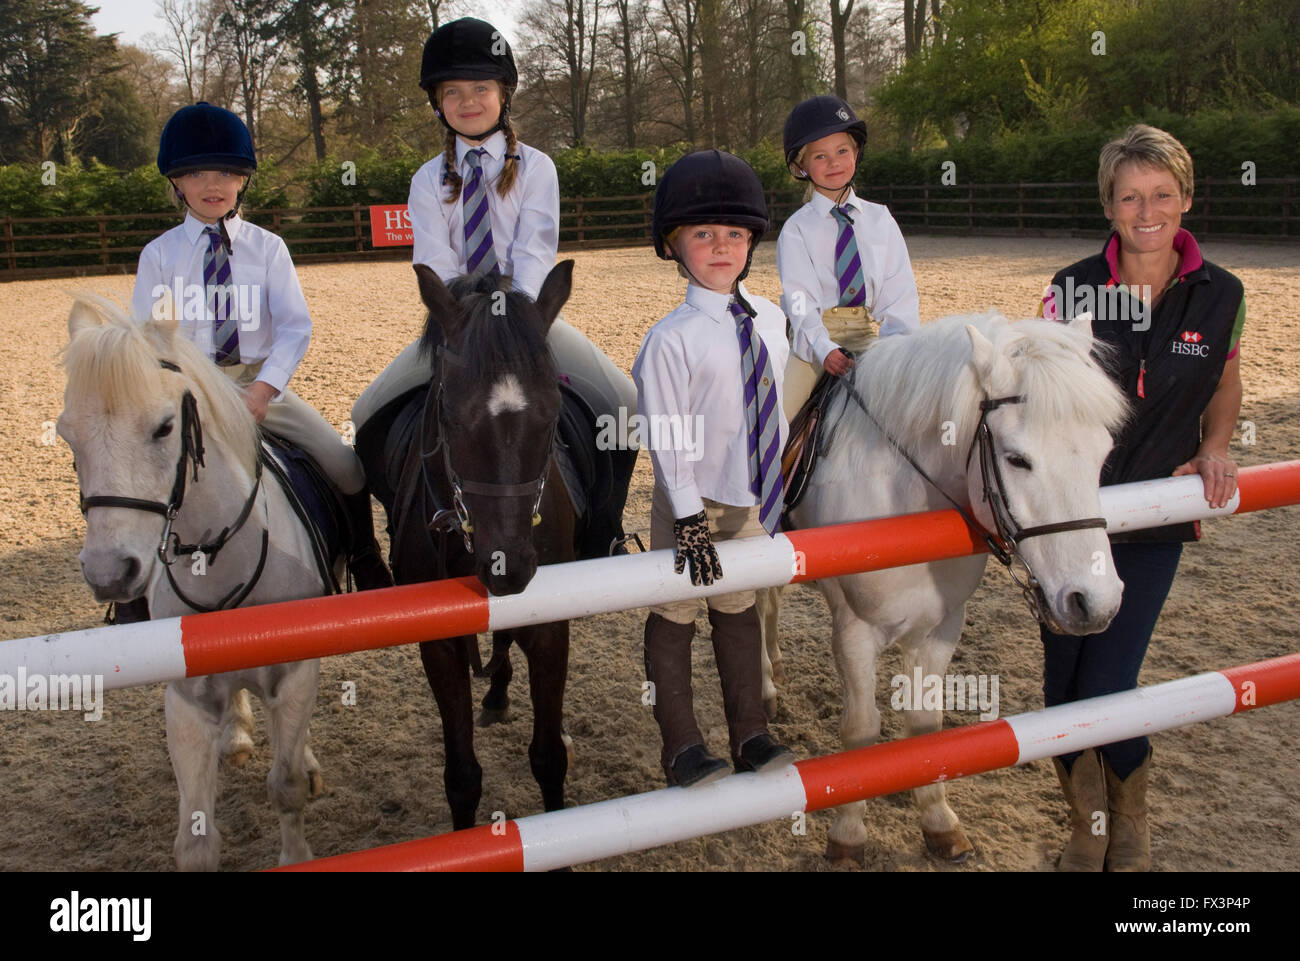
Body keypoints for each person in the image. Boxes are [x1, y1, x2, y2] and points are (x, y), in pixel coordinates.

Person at [1039, 123, 1245, 872]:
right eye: (1130, 195)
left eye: (1161, 193)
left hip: (1154, 519)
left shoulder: (1222, 293)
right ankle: (1086, 828)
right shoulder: (1072, 287)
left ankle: (1129, 834)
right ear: (1110, 206)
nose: (1146, 209)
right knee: (1062, 685)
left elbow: (1223, 378)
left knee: (1109, 680)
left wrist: (1216, 446)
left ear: (1185, 198)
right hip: (1067, 520)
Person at [351, 17, 638, 498]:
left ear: (503, 94)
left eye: (480, 88)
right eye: (453, 92)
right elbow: (436, 261)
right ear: (437, 104)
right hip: (457, 326)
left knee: (624, 407)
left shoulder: (537, 168)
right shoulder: (426, 180)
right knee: (365, 415)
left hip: (524, 318)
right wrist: (465, 321)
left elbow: (534, 251)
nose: (468, 101)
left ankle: (603, 529)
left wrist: (512, 323)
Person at [131, 102, 393, 612]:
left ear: (242, 181)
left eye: (227, 172)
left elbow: (295, 326)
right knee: (135, 474)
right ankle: (137, 591)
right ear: (177, 182)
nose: (214, 183)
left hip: (258, 386)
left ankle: (364, 554)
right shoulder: (159, 255)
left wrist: (263, 390)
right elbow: (147, 338)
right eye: (198, 172)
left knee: (344, 463)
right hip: (190, 388)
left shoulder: (268, 248)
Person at [632, 150, 796, 788]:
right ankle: (680, 746)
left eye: (734, 234)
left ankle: (750, 732)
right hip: (691, 500)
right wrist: (690, 517)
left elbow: (776, 408)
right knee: (675, 613)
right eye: (703, 234)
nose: (721, 246)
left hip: (750, 496)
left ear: (752, 240)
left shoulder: (774, 322)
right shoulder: (669, 339)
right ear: (675, 245)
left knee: (738, 608)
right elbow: (667, 436)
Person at [776, 94, 921, 419]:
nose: (834, 163)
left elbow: (900, 295)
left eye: (842, 151)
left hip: (869, 336)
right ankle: (769, 468)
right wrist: (824, 348)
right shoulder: (797, 230)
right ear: (801, 166)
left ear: (856, 152)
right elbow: (800, 302)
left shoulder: (881, 220)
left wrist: (898, 348)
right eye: (820, 157)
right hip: (815, 344)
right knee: (779, 424)